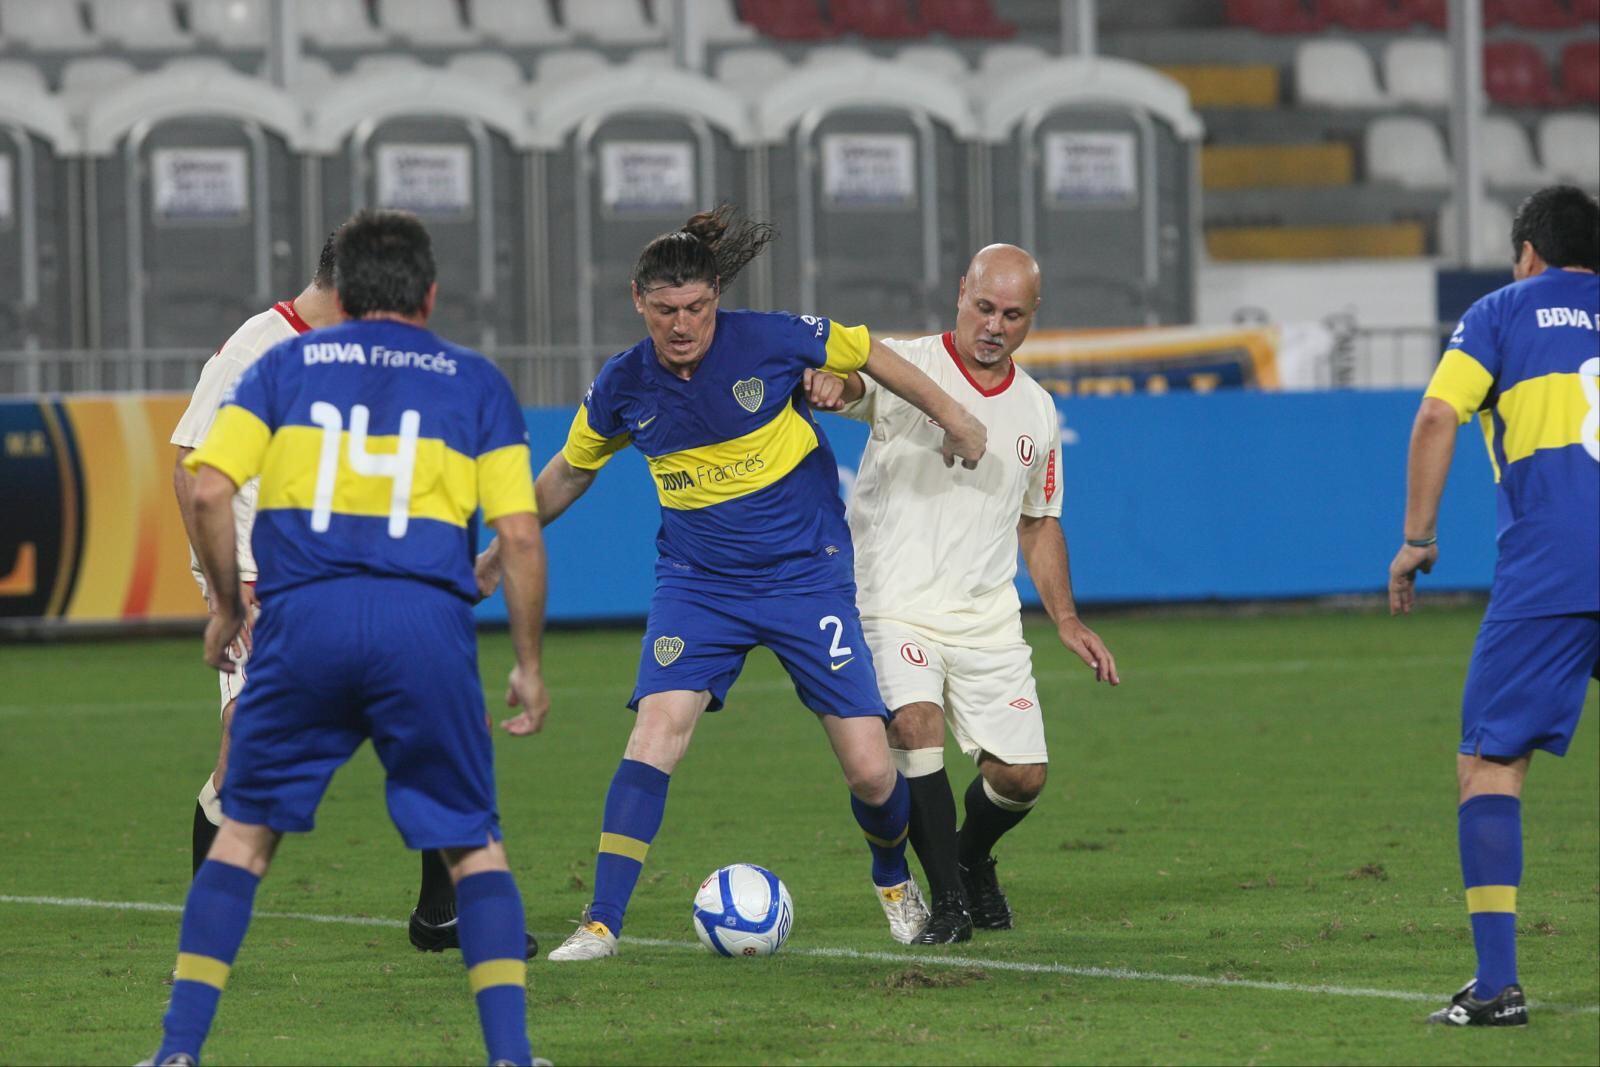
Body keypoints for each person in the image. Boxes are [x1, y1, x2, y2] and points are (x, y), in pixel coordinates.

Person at [479, 206, 988, 958]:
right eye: (666, 311)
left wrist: (956, 416)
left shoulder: (774, 339)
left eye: (696, 308)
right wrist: (499, 550)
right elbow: (569, 469)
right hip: (699, 584)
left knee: (873, 769)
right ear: (638, 302)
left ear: (715, 295)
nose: (683, 325)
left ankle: (890, 876)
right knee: (655, 732)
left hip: (804, 576)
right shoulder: (624, 384)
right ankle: (600, 922)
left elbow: (871, 353)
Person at [142, 210, 552, 1066]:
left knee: (246, 833)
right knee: (477, 844)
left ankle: (178, 1051)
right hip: (423, 628)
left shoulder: (284, 363)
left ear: (342, 289)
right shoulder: (472, 379)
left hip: (305, 621)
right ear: (431, 295)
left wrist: (222, 603)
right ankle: (511, 1057)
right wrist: (526, 661)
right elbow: (517, 535)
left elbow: (207, 487)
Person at [804, 244, 1119, 944]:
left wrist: (1066, 617)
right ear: (960, 294)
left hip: (986, 615)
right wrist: (833, 384)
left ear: (1032, 317)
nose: (994, 326)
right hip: (890, 598)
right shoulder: (907, 362)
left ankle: (972, 858)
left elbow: (1039, 523)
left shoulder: (1037, 410)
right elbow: (853, 387)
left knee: (1023, 775)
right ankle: (946, 900)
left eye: (1012, 314)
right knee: (913, 725)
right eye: (984, 307)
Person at [1389, 185, 1599, 1027]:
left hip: (1555, 566)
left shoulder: (1502, 311)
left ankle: (1496, 985)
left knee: (1491, 762)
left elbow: (1439, 412)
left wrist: (1417, 539)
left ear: (1530, 254)